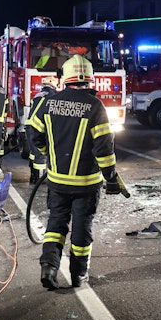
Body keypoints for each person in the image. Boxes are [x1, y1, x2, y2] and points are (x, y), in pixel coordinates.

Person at [26, 55, 119, 290]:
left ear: (64, 79)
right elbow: (104, 149)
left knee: (56, 224)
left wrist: (50, 153)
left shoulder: (49, 103)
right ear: (90, 80)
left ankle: (48, 266)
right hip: (86, 184)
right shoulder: (96, 107)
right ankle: (78, 275)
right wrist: (111, 177)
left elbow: (33, 132)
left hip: (57, 181)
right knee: (81, 229)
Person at [26, 80, 57, 183]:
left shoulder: (38, 95)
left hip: (29, 124)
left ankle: (33, 176)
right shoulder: (53, 96)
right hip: (39, 125)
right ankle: (40, 180)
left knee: (33, 151)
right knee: (40, 154)